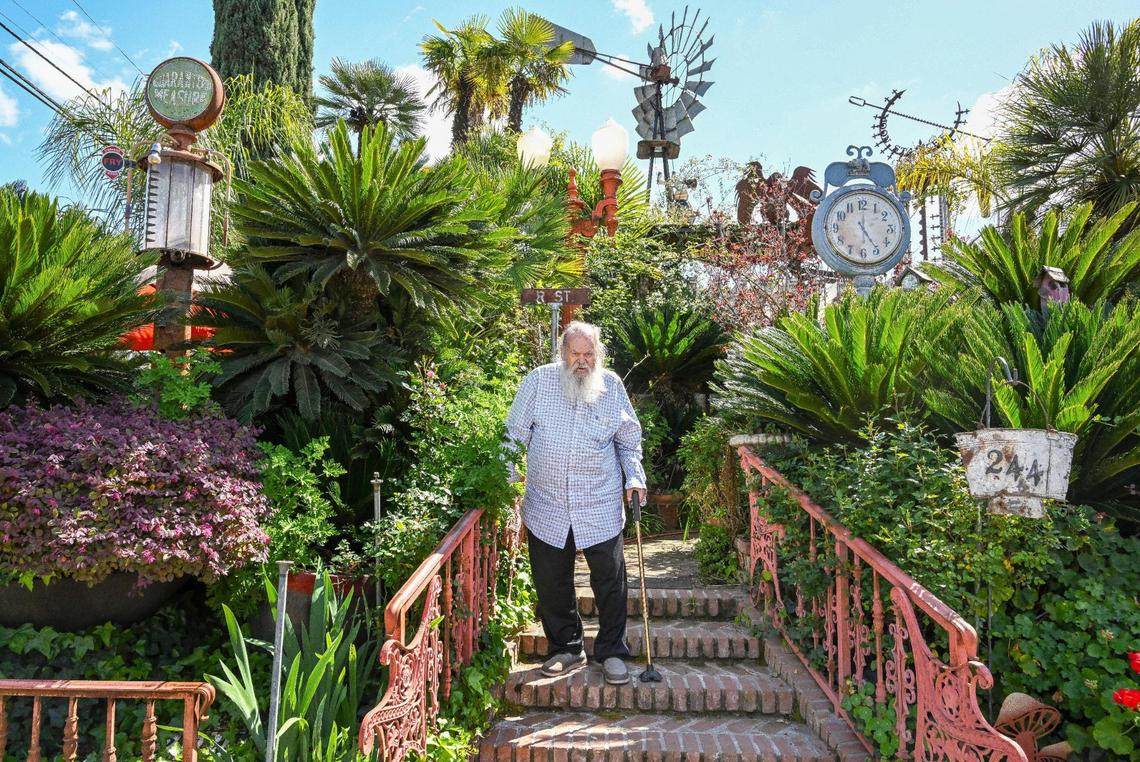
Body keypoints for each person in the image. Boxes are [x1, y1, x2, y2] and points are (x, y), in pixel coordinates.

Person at [505, 320, 647, 685]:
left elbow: (628, 440)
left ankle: (612, 651)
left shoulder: (611, 386)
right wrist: (505, 478)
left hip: (598, 499)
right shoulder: (538, 381)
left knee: (610, 580)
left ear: (596, 355)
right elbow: (514, 433)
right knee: (551, 581)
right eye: (575, 354)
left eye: (589, 354)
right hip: (547, 501)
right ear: (563, 352)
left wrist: (634, 476)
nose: (582, 361)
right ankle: (566, 647)